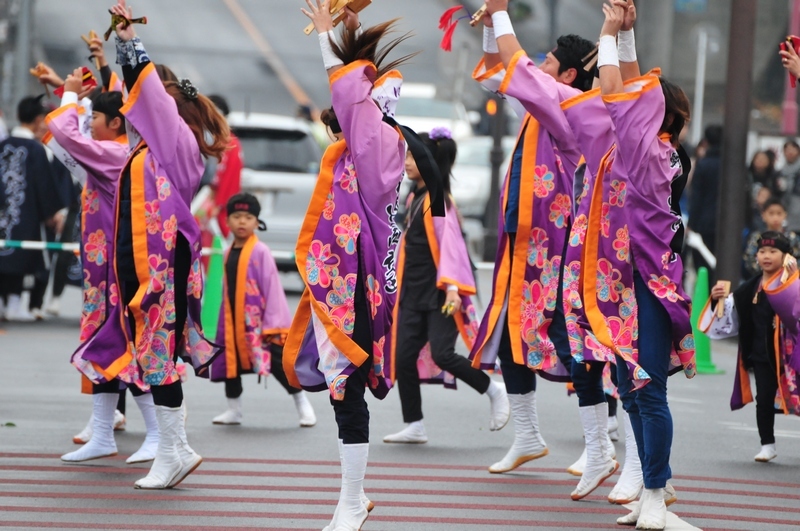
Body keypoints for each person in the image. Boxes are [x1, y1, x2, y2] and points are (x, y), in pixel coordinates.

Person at [68, 0, 228, 489]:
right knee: (152, 350)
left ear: (160, 106)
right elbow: (131, 95)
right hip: (145, 266)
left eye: (139, 100)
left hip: (163, 266)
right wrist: (108, 56)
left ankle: (173, 450)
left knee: (159, 349)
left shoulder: (173, 140)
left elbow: (143, 92)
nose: (126, 108)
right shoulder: (148, 147)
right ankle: (174, 447)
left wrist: (127, 42)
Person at [284, 3, 413, 529]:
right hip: (339, 285)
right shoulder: (358, 146)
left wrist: (326, 37)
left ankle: (351, 500)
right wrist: (344, 31)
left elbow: (351, 101)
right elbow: (350, 101)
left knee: (348, 387)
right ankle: (351, 498)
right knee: (343, 389)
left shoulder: (379, 144)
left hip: (356, 287)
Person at [471, 0, 609, 482]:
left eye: (549, 60)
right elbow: (497, 74)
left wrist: (501, 15)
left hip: (555, 244)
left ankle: (605, 443)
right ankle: (528, 436)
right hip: (523, 240)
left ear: (568, 75)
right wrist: (491, 24)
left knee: (571, 339)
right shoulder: (540, 103)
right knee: (512, 334)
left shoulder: (566, 106)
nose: (539, 63)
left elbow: (517, 68)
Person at [596, 3, 697, 528]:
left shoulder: (649, 153)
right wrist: (629, 37)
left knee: (648, 391)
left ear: (661, 116)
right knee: (629, 391)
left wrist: (609, 31)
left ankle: (655, 490)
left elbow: (617, 91)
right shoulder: (651, 144)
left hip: (647, 282)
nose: (641, 102)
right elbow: (631, 92)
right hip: (622, 278)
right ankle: (654, 483)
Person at [46, 67, 159, 464]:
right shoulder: (109, 152)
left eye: (94, 117)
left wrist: (70, 95)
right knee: (103, 346)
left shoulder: (115, 154)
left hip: (116, 270)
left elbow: (65, 136)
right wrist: (70, 93)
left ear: (115, 123)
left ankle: (159, 434)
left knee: (126, 346)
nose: (89, 123)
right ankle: (103, 433)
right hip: (102, 272)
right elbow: (64, 144)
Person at [385, 129, 509, 444]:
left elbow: (452, 245)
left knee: (443, 354)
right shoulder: (415, 196)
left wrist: (453, 288)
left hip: (440, 293)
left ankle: (494, 390)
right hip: (413, 292)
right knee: (402, 358)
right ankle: (414, 424)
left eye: (413, 156)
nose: (408, 162)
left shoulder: (438, 200)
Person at [209, 192, 316, 428]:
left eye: (248, 217)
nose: (242, 222)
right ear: (227, 221)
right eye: (236, 216)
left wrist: (273, 323)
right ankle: (233, 409)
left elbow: (273, 287)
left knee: (278, 363)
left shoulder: (261, 251)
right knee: (231, 364)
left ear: (257, 222)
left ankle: (302, 403)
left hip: (258, 322)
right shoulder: (227, 252)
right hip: (233, 321)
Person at [701, 232, 800, 463]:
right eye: (762, 251)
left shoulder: (792, 282)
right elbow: (730, 315)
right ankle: (768, 444)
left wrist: (793, 279)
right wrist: (717, 300)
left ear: (786, 256)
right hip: (762, 354)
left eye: (773, 252)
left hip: (790, 354)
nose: (767, 256)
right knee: (764, 398)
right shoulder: (750, 287)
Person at [0, 95, 66, 322]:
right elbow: (45, 187)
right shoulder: (36, 150)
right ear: (39, 119)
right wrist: (52, 213)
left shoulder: (2, 144)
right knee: (19, 258)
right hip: (25, 215)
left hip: (3, 212)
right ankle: (15, 306)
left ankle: (3, 304)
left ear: (18, 116)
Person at [687, 124, 722, 282]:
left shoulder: (704, 164)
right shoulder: (733, 165)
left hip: (704, 223)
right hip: (727, 226)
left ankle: (708, 304)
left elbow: (696, 197)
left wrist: (692, 224)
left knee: (703, 267)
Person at [207, 95, 243, 239]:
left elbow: (230, 178)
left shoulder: (229, 143)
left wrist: (219, 204)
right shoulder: (205, 138)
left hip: (215, 205)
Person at [743, 198, 800, 279]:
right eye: (771, 213)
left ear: (785, 215)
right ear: (763, 215)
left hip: (788, 280)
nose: (775, 218)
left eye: (779, 213)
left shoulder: (792, 238)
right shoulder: (757, 237)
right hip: (761, 280)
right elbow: (749, 259)